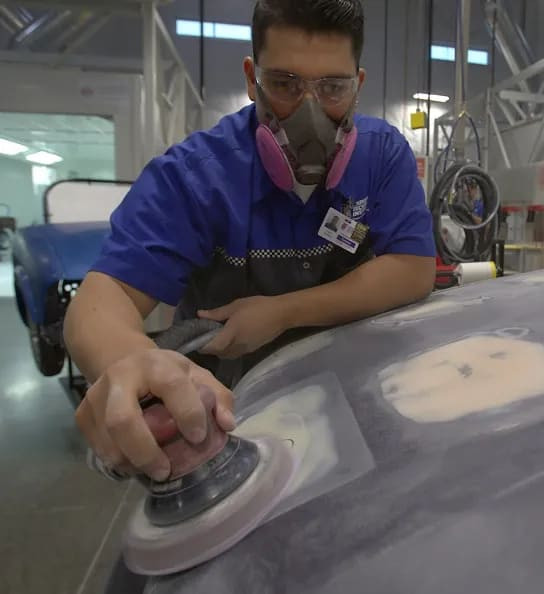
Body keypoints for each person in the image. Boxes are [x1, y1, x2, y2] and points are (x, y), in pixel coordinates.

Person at [64, 0, 436, 482]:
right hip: (227, 421)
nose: (310, 113)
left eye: (333, 88)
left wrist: (282, 313)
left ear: (358, 84)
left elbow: (413, 267)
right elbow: (101, 300)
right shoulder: (197, 177)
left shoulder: (382, 156)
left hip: (352, 397)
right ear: (250, 78)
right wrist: (130, 362)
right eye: (284, 85)